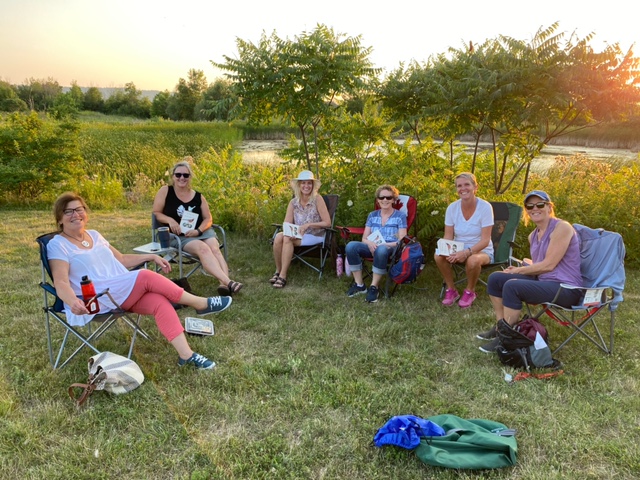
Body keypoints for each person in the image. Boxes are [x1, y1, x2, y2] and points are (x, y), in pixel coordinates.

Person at [47, 192, 232, 370]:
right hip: (95, 299)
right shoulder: (58, 244)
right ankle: (200, 303)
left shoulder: (94, 235)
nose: (75, 214)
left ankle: (186, 355)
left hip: (118, 289)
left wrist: (150, 258)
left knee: (159, 302)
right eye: (68, 211)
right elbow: (61, 282)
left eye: (79, 209)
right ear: (60, 218)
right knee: (144, 276)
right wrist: (72, 302)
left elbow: (121, 259)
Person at [476, 190, 583, 353]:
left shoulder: (562, 228)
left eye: (540, 204)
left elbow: (549, 265)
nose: (535, 209)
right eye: (529, 206)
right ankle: (501, 328)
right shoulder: (533, 235)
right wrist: (520, 269)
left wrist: (520, 270)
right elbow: (539, 265)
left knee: (512, 286)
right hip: (545, 282)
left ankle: (507, 338)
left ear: (549, 207)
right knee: (496, 278)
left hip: (566, 289)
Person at [153, 158, 243, 296]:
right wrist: (170, 220)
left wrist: (199, 230)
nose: (182, 178)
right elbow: (157, 213)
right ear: (173, 176)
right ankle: (229, 282)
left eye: (185, 175)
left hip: (201, 231)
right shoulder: (165, 191)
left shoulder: (198, 196)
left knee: (215, 249)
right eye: (178, 175)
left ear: (190, 177)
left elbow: (208, 218)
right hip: (179, 236)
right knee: (203, 249)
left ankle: (223, 284)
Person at [435, 173, 494, 308]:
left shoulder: (485, 207)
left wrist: (466, 253)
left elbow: (485, 240)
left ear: (475, 187)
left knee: (473, 260)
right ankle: (451, 290)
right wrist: (447, 249)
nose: (463, 188)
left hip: (482, 250)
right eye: (459, 186)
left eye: (467, 184)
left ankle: (470, 291)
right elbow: (448, 236)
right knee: (438, 255)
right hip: (458, 247)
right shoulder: (452, 208)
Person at [345, 185, 407, 303]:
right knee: (351, 246)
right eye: (381, 197)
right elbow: (364, 238)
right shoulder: (372, 215)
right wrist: (369, 243)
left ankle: (374, 287)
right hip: (372, 246)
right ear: (377, 200)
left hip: (390, 248)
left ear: (394, 200)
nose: (385, 200)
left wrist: (385, 245)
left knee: (381, 249)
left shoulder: (400, 216)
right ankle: (360, 285)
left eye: (388, 198)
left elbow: (401, 241)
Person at [270, 170, 331, 288]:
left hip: (315, 235)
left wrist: (308, 225)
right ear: (299, 185)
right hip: (298, 234)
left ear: (313, 186)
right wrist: (290, 231)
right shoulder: (293, 202)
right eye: (303, 183)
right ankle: (277, 271)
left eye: (309, 183)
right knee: (278, 236)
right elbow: (287, 222)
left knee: (287, 239)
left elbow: (327, 223)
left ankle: (283, 276)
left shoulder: (317, 199)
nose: (306, 186)